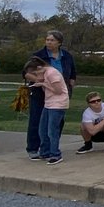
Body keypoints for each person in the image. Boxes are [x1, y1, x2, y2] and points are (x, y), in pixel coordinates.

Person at [26, 30, 77, 158]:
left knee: (55, 122)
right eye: (47, 40)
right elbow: (26, 72)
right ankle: (34, 148)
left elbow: (72, 73)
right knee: (37, 120)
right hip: (40, 92)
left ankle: (52, 148)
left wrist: (70, 86)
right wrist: (40, 80)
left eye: (52, 40)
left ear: (59, 43)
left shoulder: (66, 56)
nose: (48, 42)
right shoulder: (38, 56)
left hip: (59, 93)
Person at [24, 56, 70, 165]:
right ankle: (45, 151)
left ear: (40, 67)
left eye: (36, 73)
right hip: (49, 103)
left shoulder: (52, 73)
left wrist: (43, 84)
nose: (36, 76)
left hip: (58, 104)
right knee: (42, 129)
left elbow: (58, 91)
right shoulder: (45, 74)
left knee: (52, 130)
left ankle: (55, 154)